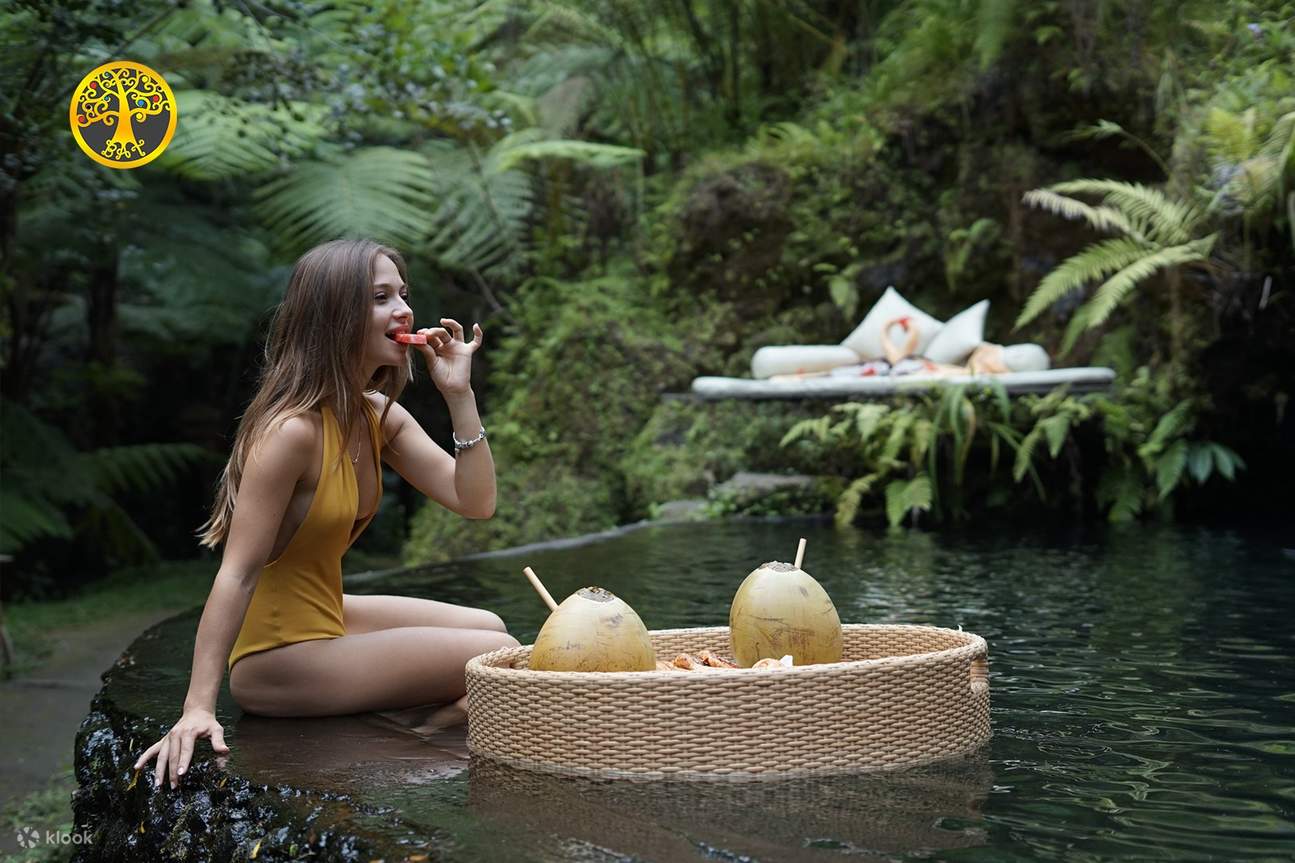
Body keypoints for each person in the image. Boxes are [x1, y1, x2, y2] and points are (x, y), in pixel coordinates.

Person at [133, 239, 518, 790]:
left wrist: (460, 395)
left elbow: (476, 502)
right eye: (380, 297)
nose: (403, 309)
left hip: (326, 615)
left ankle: (422, 724)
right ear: (334, 318)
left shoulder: (376, 415)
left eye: (402, 294)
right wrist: (198, 705)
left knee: (489, 627)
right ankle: (425, 729)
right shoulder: (289, 432)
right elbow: (237, 573)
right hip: (277, 656)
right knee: (496, 654)